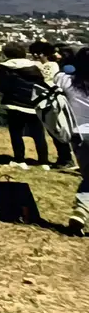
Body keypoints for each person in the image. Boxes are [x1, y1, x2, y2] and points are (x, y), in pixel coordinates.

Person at [0, 43, 54, 169]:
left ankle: (19, 160)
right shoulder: (34, 67)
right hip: (33, 104)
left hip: (14, 103)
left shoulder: (6, 67)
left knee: (16, 132)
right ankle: (44, 162)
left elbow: (0, 85)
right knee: (39, 134)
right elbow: (41, 85)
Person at [57, 48, 89, 232]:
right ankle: (82, 208)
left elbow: (54, 77)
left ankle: (82, 210)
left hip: (78, 135)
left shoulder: (65, 80)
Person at [31, 41, 74, 172]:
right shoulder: (57, 65)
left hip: (53, 103)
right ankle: (65, 159)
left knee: (58, 131)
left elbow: (46, 83)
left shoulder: (49, 66)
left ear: (40, 54)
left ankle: (65, 159)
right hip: (58, 102)